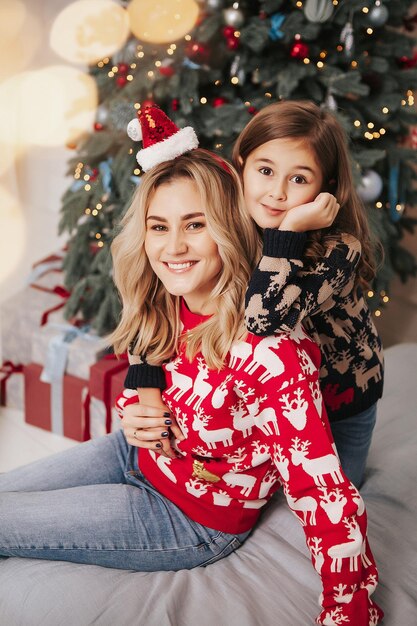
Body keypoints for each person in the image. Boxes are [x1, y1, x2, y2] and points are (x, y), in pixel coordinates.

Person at [0, 109, 383, 625]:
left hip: (187, 517)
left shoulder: (270, 349)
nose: (172, 247)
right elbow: (144, 341)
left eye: (195, 225)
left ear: (228, 227)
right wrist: (141, 400)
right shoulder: (168, 292)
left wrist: (350, 613)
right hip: (133, 458)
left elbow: (323, 491)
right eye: (159, 227)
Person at [127, 101, 384, 488]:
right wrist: (149, 391)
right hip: (275, 406)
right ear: (242, 163)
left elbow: (265, 319)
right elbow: (160, 296)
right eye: (265, 171)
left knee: (333, 486)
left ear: (326, 188)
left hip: (340, 403)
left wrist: (291, 231)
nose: (277, 193)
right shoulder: (234, 220)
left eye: (299, 179)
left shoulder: (338, 249)